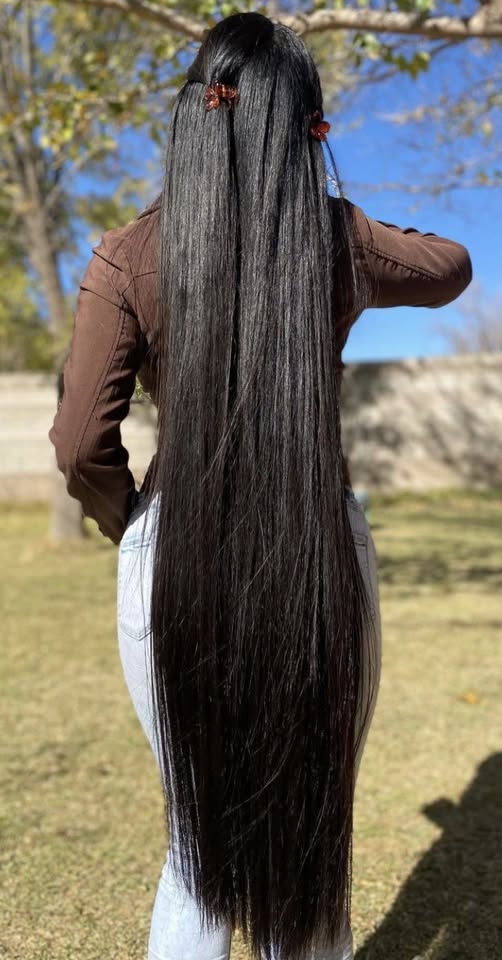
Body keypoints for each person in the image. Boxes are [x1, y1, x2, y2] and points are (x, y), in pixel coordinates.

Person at [49, 12, 472, 960]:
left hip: (172, 552)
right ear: (306, 127)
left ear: (194, 116)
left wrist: (138, 525)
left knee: (196, 851)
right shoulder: (336, 239)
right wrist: (343, 217)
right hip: (318, 542)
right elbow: (451, 266)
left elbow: (80, 443)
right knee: (307, 837)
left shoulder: (127, 253)